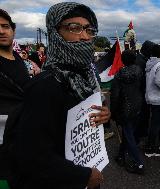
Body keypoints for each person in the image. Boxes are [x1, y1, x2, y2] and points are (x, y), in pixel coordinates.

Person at [5, 2, 110, 188]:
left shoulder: (87, 77)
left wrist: (103, 116)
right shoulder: (45, 85)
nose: (84, 36)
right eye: (74, 28)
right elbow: (31, 157)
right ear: (55, 33)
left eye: (88, 29)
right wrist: (82, 176)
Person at [0, 8, 30, 182]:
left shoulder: (19, 60)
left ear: (13, 30)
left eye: (5, 26)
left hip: (25, 143)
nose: (1, 31)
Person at [111, 49, 144, 174]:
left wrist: (112, 112)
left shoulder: (119, 74)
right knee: (128, 132)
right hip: (137, 104)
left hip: (125, 108)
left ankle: (139, 163)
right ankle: (121, 155)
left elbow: (115, 96)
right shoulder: (139, 70)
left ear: (123, 60)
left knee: (129, 134)